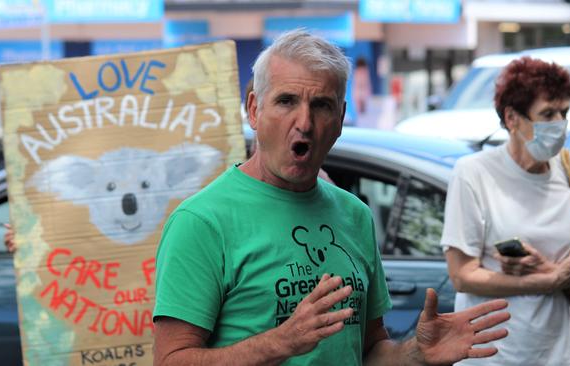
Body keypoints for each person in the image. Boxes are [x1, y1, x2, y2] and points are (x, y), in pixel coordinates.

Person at [153, 29, 510, 365]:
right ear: (254, 110)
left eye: (321, 105)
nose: (304, 122)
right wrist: (280, 342)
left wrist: (416, 353)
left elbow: (369, 349)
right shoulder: (201, 222)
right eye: (286, 101)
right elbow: (170, 359)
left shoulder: (354, 214)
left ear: (340, 119)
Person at [441, 56, 570, 366]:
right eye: (547, 114)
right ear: (512, 118)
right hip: (495, 353)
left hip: (565, 351)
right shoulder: (473, 173)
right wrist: (547, 280)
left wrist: (556, 271)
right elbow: (462, 275)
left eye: (564, 112)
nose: (559, 123)